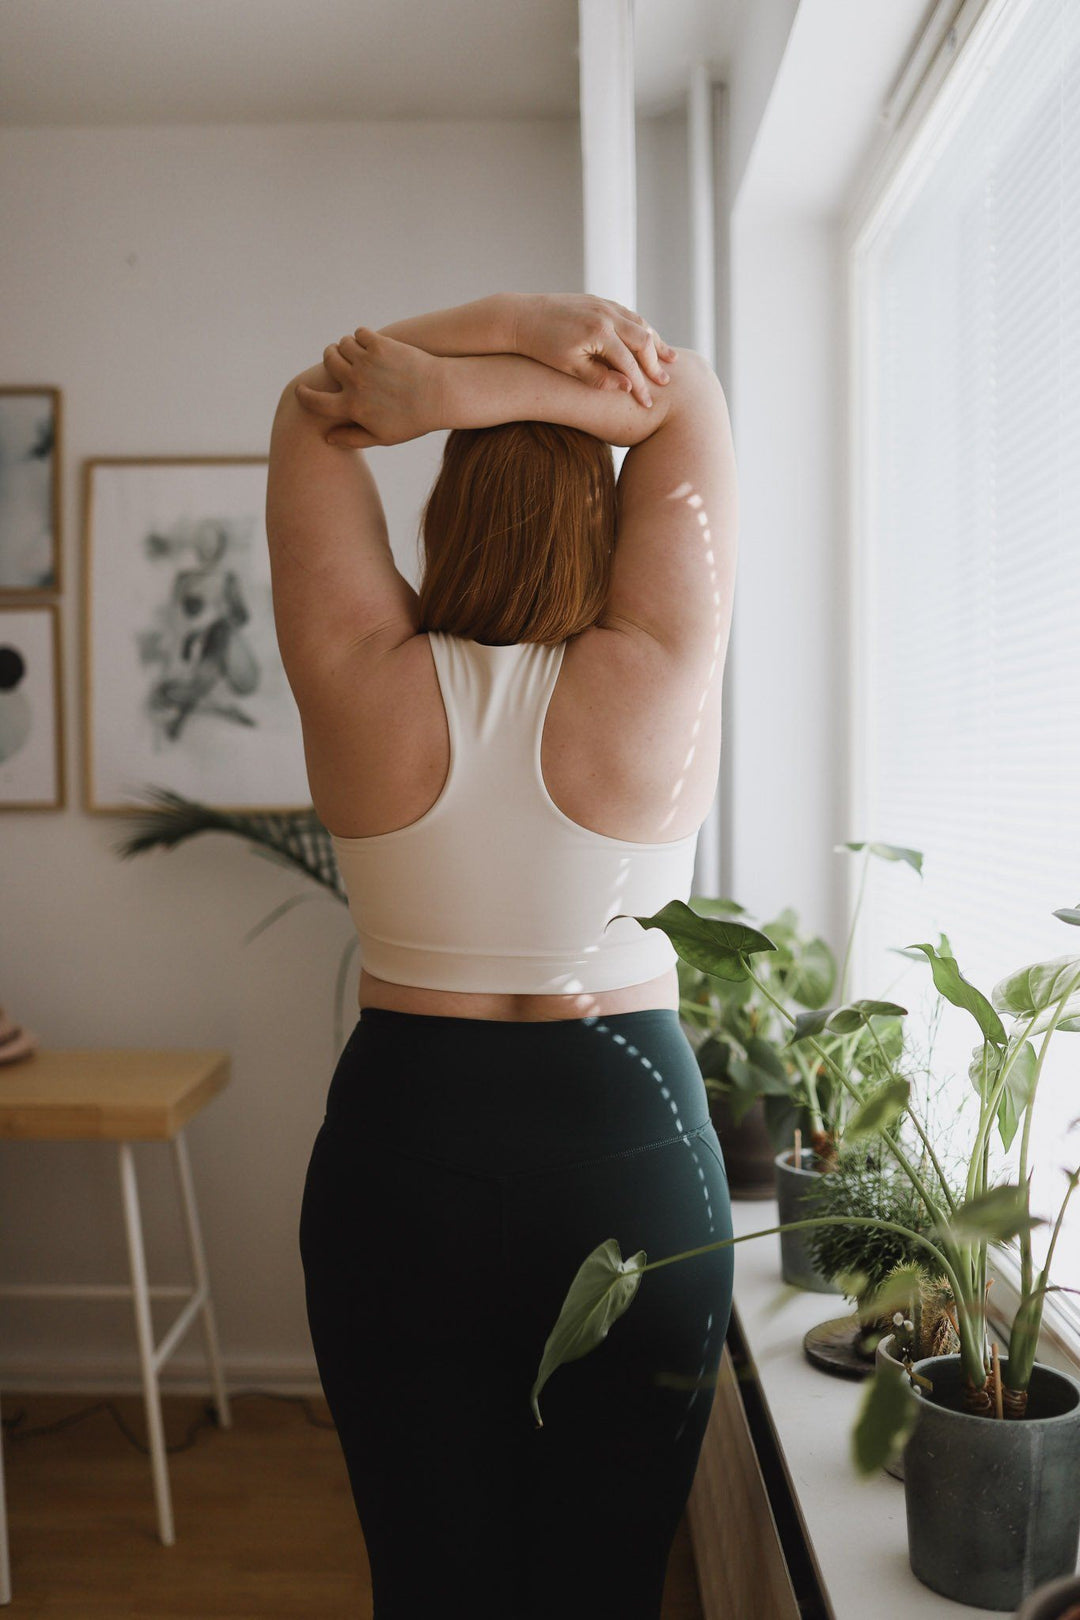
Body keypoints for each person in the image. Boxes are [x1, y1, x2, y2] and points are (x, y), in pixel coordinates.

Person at [265, 292, 739, 1620]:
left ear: (438, 518)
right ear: (605, 515)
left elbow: (311, 404)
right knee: (606, 1589)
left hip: (405, 1160)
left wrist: (467, 353)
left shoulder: (361, 673)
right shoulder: (657, 670)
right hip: (633, 1159)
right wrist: (483, 385)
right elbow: (687, 391)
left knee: (431, 1586)